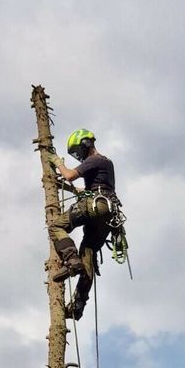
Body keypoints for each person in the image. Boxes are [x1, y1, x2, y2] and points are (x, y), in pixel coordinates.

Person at [47, 128, 118, 320]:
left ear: (85, 143)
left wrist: (57, 162)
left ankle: (71, 261)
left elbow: (69, 174)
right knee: (88, 252)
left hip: (96, 205)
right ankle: (78, 305)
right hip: (107, 214)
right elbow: (91, 189)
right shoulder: (106, 163)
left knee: (56, 227)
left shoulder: (95, 159)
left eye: (78, 150)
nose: (79, 155)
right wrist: (67, 188)